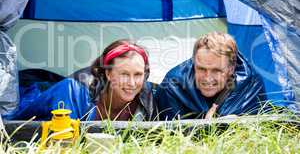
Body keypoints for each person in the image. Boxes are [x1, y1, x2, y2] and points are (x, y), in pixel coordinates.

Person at [6, 40, 157, 121]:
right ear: (109, 73)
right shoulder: (73, 91)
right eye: (124, 74)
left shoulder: (148, 97)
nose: (132, 83)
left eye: (138, 74)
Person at [156, 32, 266, 120]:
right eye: (201, 69)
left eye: (216, 70)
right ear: (194, 62)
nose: (208, 78)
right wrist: (207, 127)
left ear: (231, 68)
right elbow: (169, 138)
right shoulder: (174, 85)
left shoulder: (251, 83)